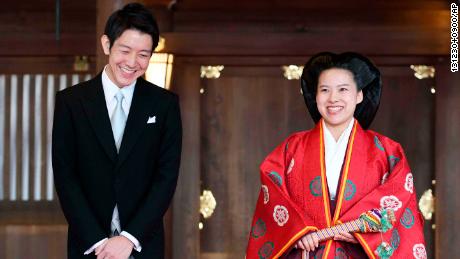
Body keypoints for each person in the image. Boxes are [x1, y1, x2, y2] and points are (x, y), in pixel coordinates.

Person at [246, 52, 425, 258]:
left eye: (343, 89)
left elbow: (399, 197)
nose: (333, 98)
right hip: (307, 252)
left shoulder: (387, 151)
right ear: (316, 96)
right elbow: (273, 194)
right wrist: (297, 231)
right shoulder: (291, 148)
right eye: (325, 90)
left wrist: (361, 228)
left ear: (359, 95)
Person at [52, 3, 182, 259]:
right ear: (106, 45)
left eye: (144, 54)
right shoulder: (71, 102)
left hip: (143, 245)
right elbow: (66, 175)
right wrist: (97, 241)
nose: (133, 62)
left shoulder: (164, 104)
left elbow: (166, 177)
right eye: (125, 50)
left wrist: (129, 238)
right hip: (88, 245)